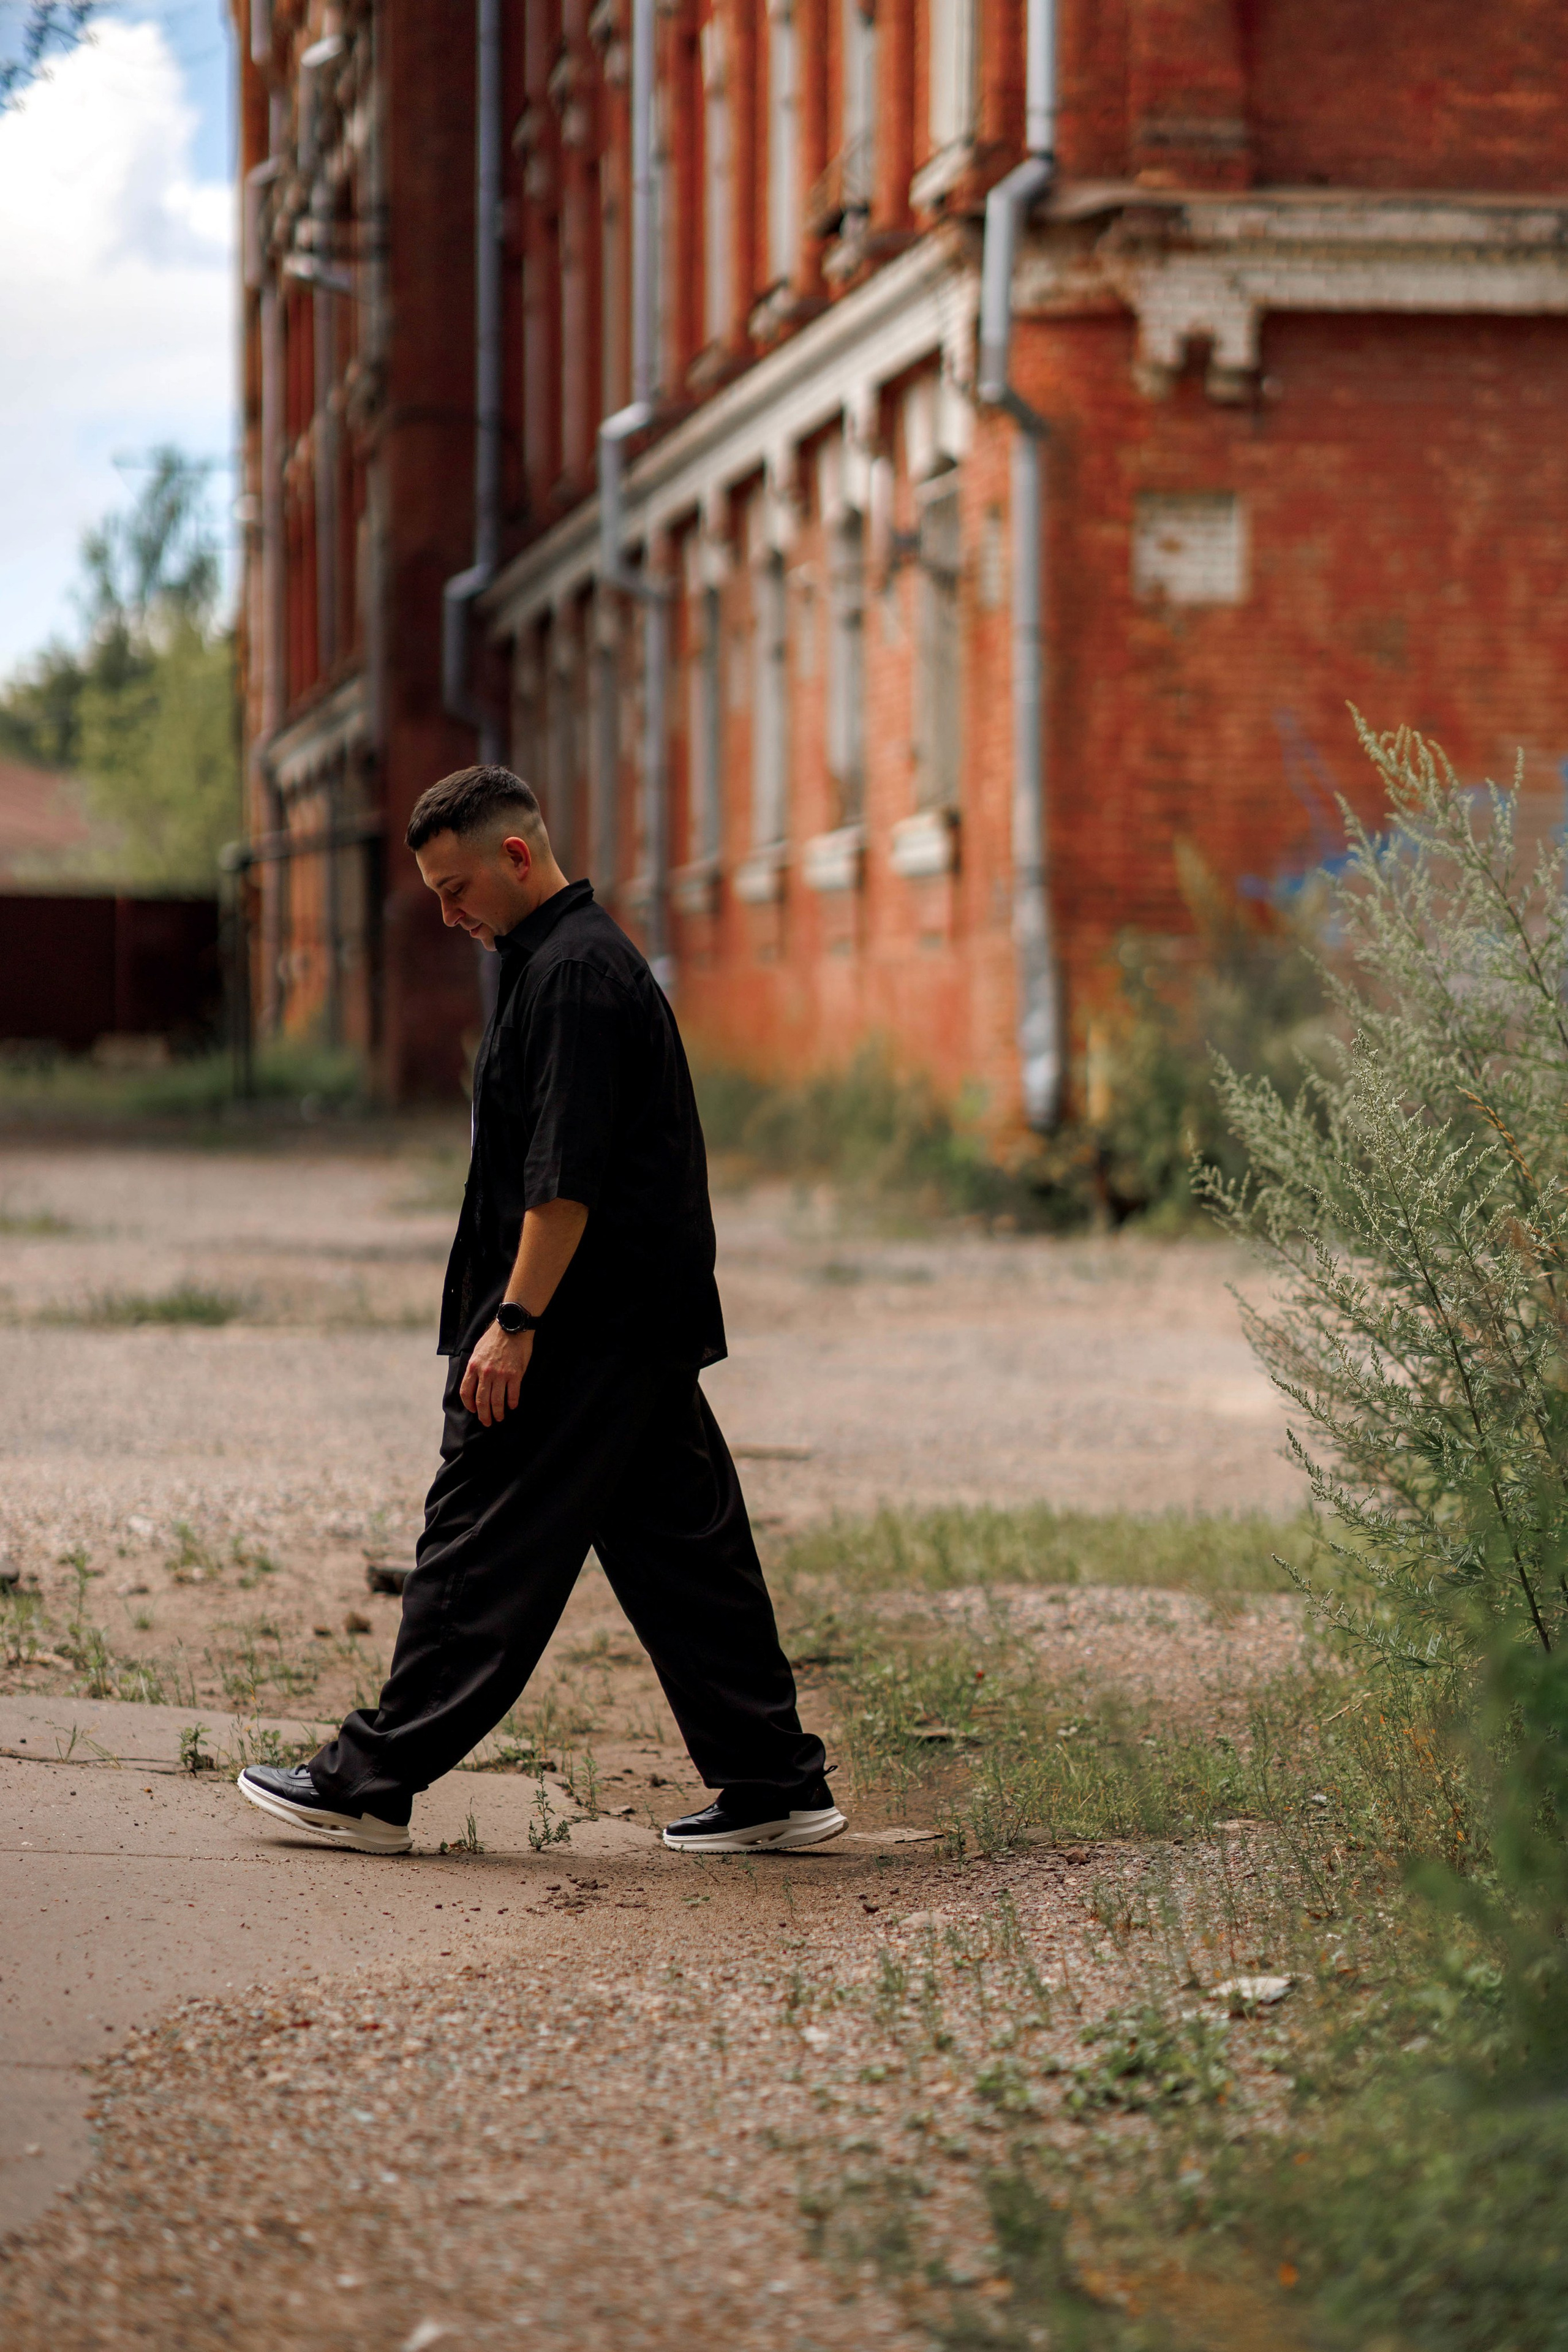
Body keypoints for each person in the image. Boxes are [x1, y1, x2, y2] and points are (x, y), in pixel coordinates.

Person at [236, 764, 841, 1857]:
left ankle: (371, 1783)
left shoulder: (570, 975)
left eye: (457, 886)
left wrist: (513, 1325)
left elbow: (564, 1182)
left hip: (576, 1329)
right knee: (685, 1553)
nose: (447, 912)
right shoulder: (560, 959)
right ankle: (773, 1782)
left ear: (518, 856)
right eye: (433, 893)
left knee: (478, 1541)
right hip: (629, 1326)